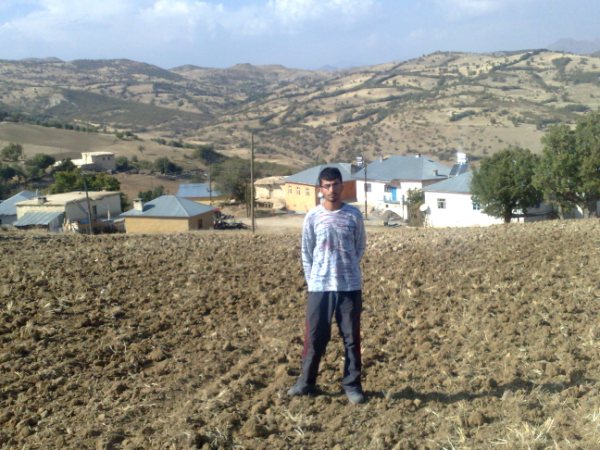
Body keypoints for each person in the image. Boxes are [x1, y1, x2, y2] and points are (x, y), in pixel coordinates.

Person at [287, 167, 367, 404]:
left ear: (342, 186)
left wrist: (345, 267)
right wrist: (313, 280)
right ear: (320, 189)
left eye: (336, 184)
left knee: (351, 338)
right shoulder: (312, 216)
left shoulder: (353, 215)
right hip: (319, 287)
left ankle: (352, 385)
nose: (332, 190)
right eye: (327, 185)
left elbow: (359, 246)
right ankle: (306, 382)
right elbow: (306, 251)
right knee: (314, 336)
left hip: (349, 287)